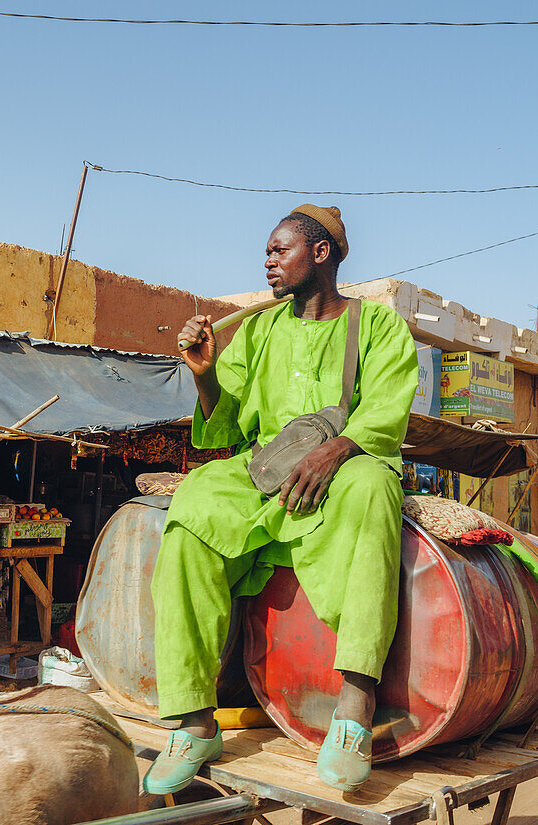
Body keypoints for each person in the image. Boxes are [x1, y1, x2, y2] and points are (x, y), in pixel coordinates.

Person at [142, 205, 419, 795]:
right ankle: (194, 721)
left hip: (343, 467)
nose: (267, 262)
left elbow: (387, 409)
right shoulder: (259, 332)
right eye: (267, 252)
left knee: (374, 488)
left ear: (320, 254)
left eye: (278, 250)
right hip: (265, 467)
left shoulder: (378, 327)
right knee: (194, 503)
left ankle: (354, 707)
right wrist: (204, 374)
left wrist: (338, 450)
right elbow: (226, 430)